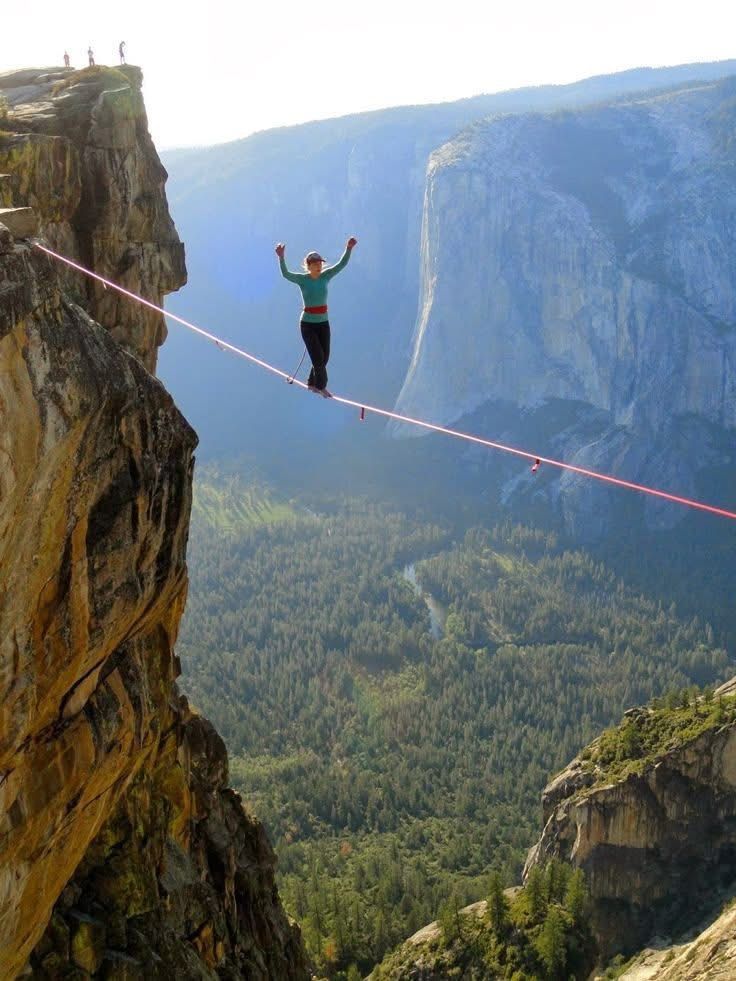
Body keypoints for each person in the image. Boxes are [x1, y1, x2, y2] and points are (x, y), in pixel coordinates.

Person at [276, 237, 357, 396]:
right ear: (309, 266)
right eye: (315, 264)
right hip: (307, 325)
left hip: (323, 323)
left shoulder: (326, 276)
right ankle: (321, 387)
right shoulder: (302, 280)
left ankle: (311, 383)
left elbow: (341, 265)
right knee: (318, 358)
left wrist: (348, 248)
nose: (319, 266)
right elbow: (286, 274)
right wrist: (281, 257)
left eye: (320, 263)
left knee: (324, 358)